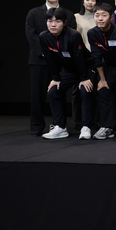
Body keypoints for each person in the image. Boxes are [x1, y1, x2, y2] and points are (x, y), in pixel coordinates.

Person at [26, 0, 77, 136]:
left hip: (60, 61)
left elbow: (71, 35)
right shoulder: (34, 13)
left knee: (58, 92)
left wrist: (57, 55)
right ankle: (36, 126)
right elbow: (31, 35)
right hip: (39, 60)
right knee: (37, 95)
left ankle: (59, 125)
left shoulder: (68, 14)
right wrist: (46, 53)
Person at [39, 8, 94, 139]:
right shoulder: (44, 36)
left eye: (57, 21)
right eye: (50, 21)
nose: (53, 25)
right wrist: (55, 78)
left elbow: (79, 58)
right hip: (69, 70)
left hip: (86, 68)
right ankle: (60, 127)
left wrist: (84, 78)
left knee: (85, 91)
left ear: (64, 23)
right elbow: (50, 59)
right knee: (53, 91)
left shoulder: (73, 35)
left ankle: (86, 127)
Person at [87, 3, 116, 140]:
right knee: (103, 90)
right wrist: (102, 79)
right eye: (97, 15)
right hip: (108, 68)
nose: (100, 18)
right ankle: (107, 126)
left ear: (111, 18)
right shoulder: (92, 33)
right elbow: (96, 57)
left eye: (104, 15)